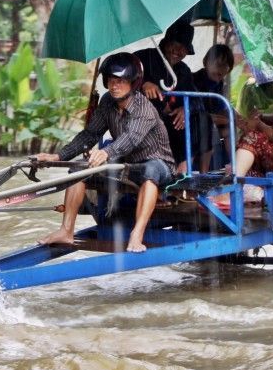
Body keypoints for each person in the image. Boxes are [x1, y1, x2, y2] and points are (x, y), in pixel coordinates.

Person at [34, 52, 175, 253]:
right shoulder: (108, 101)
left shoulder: (144, 108)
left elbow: (131, 138)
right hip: (126, 164)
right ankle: (66, 231)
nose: (114, 86)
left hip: (159, 165)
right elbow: (90, 134)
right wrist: (58, 156)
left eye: (120, 81)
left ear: (133, 83)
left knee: (150, 170)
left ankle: (137, 234)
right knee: (78, 170)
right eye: (110, 80)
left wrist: (106, 152)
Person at [133, 18, 197, 173]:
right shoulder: (141, 58)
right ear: (164, 43)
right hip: (142, 122)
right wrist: (143, 84)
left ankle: (183, 174)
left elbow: (197, 99)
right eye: (174, 44)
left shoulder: (184, 71)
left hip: (172, 124)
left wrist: (185, 108)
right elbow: (122, 85)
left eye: (183, 48)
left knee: (198, 119)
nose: (178, 51)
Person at [191, 44, 234, 172]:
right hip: (195, 122)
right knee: (210, 125)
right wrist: (228, 119)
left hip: (209, 122)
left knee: (229, 128)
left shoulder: (219, 84)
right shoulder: (195, 80)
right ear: (206, 62)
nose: (221, 69)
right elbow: (201, 112)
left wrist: (238, 119)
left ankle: (233, 165)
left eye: (225, 65)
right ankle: (203, 173)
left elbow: (221, 107)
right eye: (218, 64)